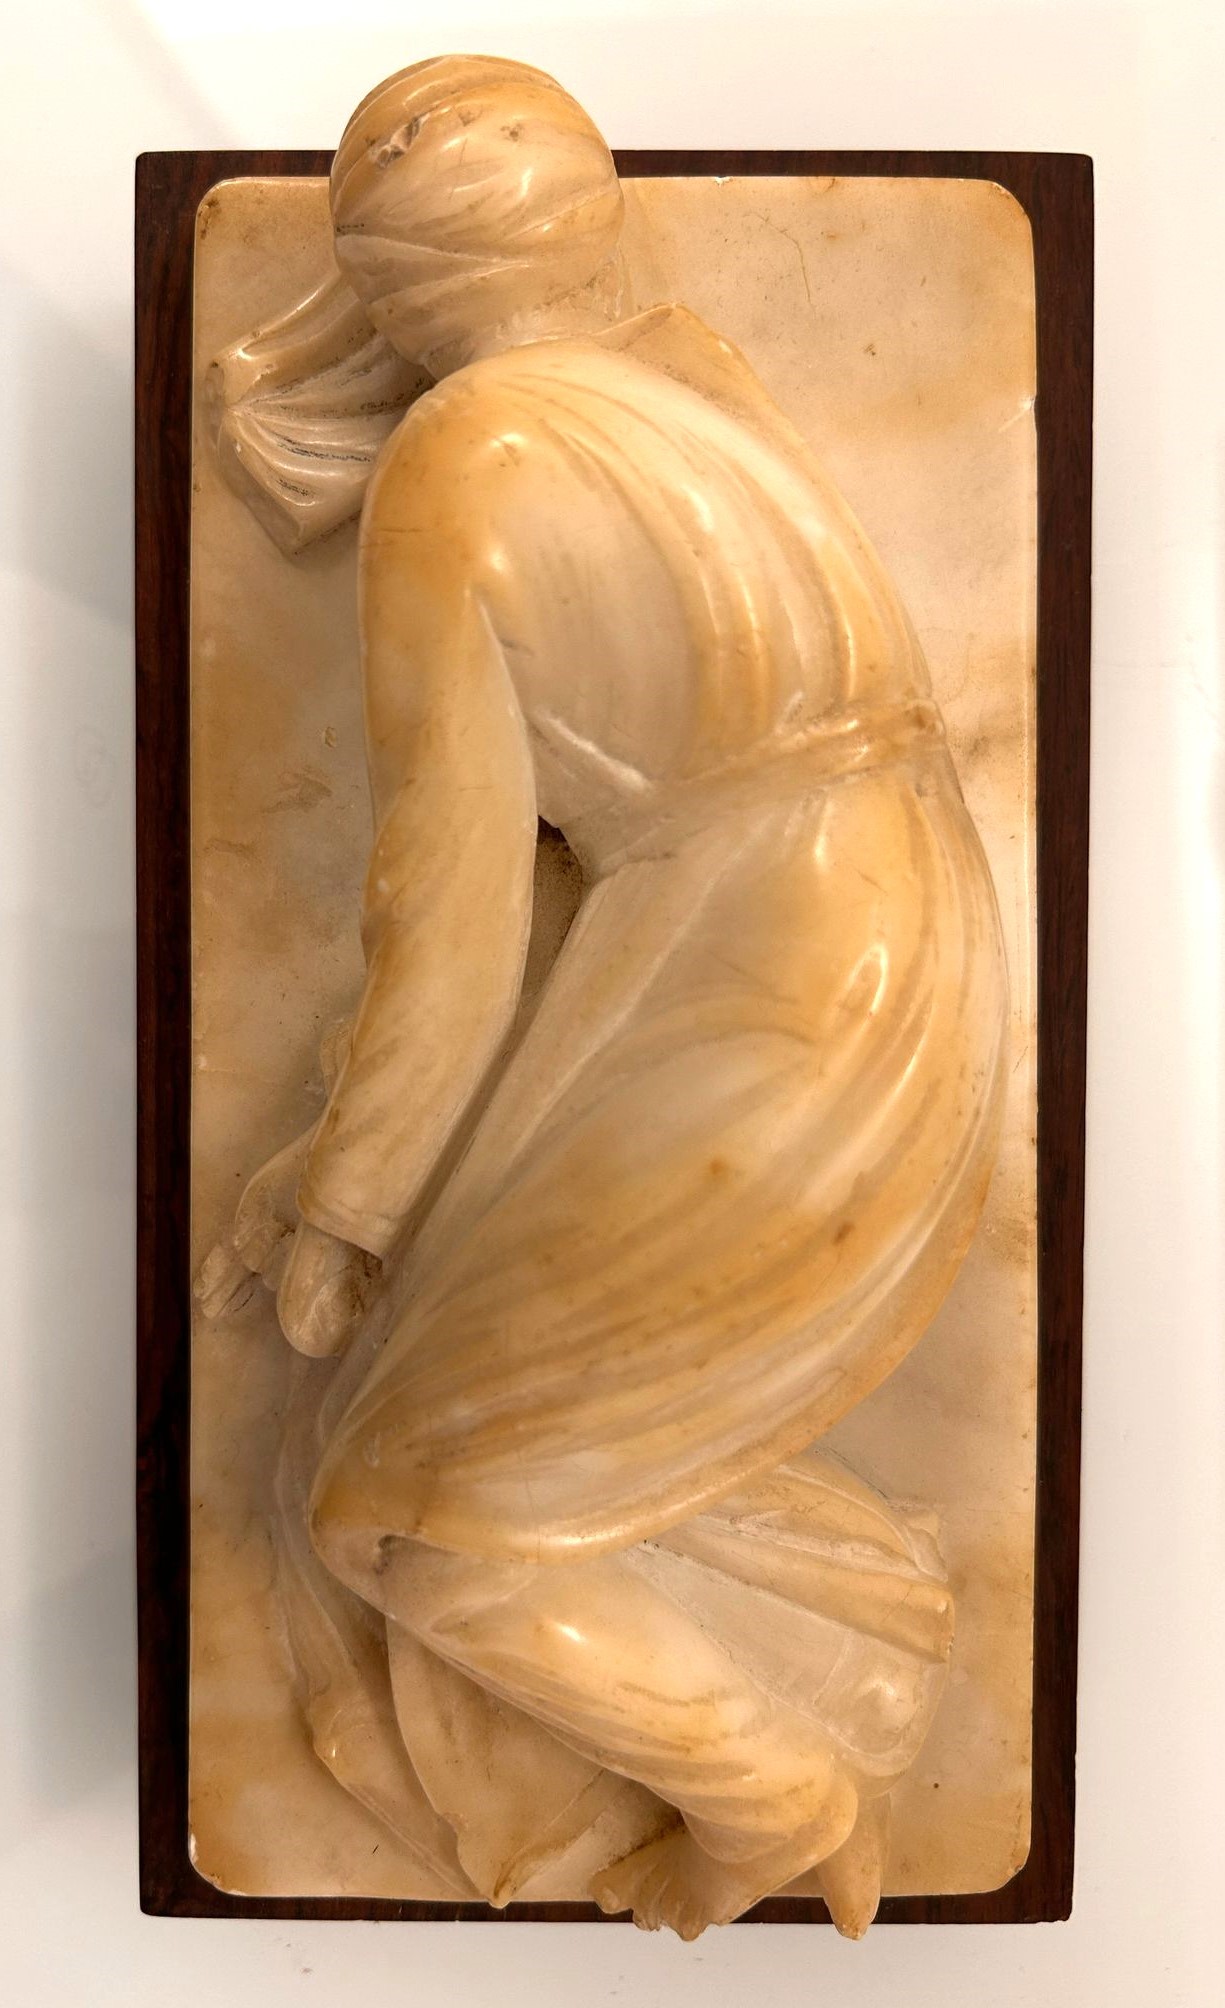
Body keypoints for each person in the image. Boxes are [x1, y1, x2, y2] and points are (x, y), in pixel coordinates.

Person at [203, 55, 1008, 1936]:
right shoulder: (681, 396)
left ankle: (777, 1794)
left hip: (767, 970)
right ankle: (813, 1732)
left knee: (407, 1518)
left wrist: (348, 1203)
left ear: (379, 283)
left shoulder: (465, 452)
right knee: (505, 1434)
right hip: (887, 931)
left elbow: (452, 901)